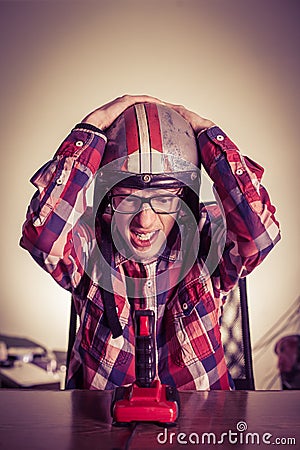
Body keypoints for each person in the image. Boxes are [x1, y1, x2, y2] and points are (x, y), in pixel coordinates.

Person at [20, 94, 281, 390]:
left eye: (163, 198)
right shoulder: (88, 242)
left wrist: (210, 137)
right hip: (101, 427)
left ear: (186, 199)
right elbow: (43, 236)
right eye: (128, 198)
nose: (144, 221)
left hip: (203, 426)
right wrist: (90, 131)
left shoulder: (207, 237)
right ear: (107, 199)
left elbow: (260, 236)